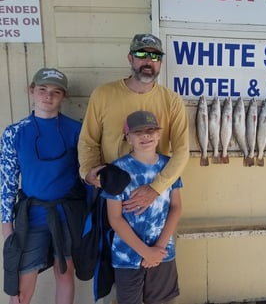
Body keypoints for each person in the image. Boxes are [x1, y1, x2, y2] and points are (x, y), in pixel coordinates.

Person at [78, 33, 189, 214]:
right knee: (111, 241)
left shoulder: (172, 101)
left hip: (155, 195)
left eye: (155, 56)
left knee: (156, 242)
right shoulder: (103, 94)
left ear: (160, 62)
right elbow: (88, 141)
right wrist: (89, 173)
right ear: (130, 58)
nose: (148, 61)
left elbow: (182, 151)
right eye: (141, 55)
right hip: (112, 192)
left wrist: (155, 188)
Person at [1, 68, 85, 304]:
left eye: (56, 92)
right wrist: (7, 228)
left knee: (65, 274)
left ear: (63, 96)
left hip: (66, 216)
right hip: (32, 217)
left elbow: (85, 176)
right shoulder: (14, 133)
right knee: (19, 287)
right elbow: (6, 182)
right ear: (32, 91)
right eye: (42, 90)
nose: (48, 96)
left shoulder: (76, 131)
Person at [102, 110, 182, 304]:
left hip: (163, 253)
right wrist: (146, 252)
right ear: (128, 138)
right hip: (127, 255)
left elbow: (176, 207)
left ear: (158, 134)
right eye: (138, 132)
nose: (145, 136)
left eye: (151, 130)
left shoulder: (169, 166)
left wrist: (159, 248)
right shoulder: (117, 169)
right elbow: (115, 218)